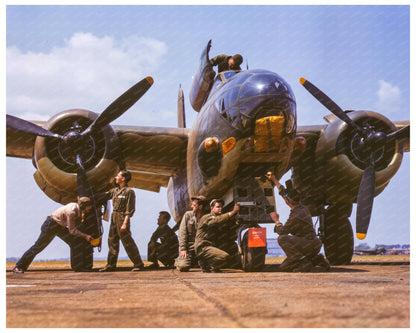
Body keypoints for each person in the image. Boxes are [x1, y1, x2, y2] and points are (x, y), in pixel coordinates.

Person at [265, 172, 330, 272]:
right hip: (312, 244)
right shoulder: (302, 207)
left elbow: (283, 231)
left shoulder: (296, 216)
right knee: (284, 267)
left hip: (308, 244)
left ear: (287, 201)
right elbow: (285, 193)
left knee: (282, 239)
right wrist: (274, 179)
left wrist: (276, 221)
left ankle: (303, 262)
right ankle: (317, 259)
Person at [12, 197, 95, 273]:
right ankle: (19, 267)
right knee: (37, 247)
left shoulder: (77, 208)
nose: (90, 208)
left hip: (59, 226)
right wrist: (85, 236)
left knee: (75, 242)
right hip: (51, 225)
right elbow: (72, 231)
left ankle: (78, 267)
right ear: (84, 206)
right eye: (89, 206)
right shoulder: (71, 212)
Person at [99, 170, 145, 272]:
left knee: (127, 241)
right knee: (112, 241)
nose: (116, 177)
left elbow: (130, 209)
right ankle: (111, 264)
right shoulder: (115, 190)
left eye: (118, 176)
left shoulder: (129, 192)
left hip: (122, 217)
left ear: (123, 179)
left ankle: (138, 263)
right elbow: (104, 195)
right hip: (114, 216)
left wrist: (125, 223)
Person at [195, 199, 240, 273]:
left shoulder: (219, 218)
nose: (220, 208)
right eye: (218, 207)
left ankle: (206, 263)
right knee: (224, 256)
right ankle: (209, 265)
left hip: (211, 246)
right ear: (212, 208)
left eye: (221, 207)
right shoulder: (206, 217)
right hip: (203, 247)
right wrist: (232, 212)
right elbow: (216, 221)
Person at [176, 195, 207, 272]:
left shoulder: (207, 217)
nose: (191, 206)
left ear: (200, 207)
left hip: (201, 247)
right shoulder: (188, 215)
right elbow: (182, 232)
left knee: (210, 267)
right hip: (189, 246)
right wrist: (183, 248)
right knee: (183, 267)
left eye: (194, 205)